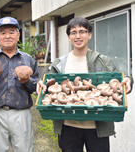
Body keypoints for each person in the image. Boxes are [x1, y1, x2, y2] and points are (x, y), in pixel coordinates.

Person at [36, 16, 133, 152]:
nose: (78, 36)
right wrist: (40, 87)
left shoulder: (102, 61)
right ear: (69, 37)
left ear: (90, 34)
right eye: (73, 32)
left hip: (97, 127)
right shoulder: (59, 64)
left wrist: (129, 80)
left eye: (82, 31)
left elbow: (120, 79)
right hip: (68, 126)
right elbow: (46, 86)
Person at [0, 16, 39, 152]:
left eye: (11, 32)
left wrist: (27, 81)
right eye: (3, 33)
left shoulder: (28, 60)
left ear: (18, 35)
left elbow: (36, 88)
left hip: (21, 114)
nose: (7, 36)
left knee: (24, 149)